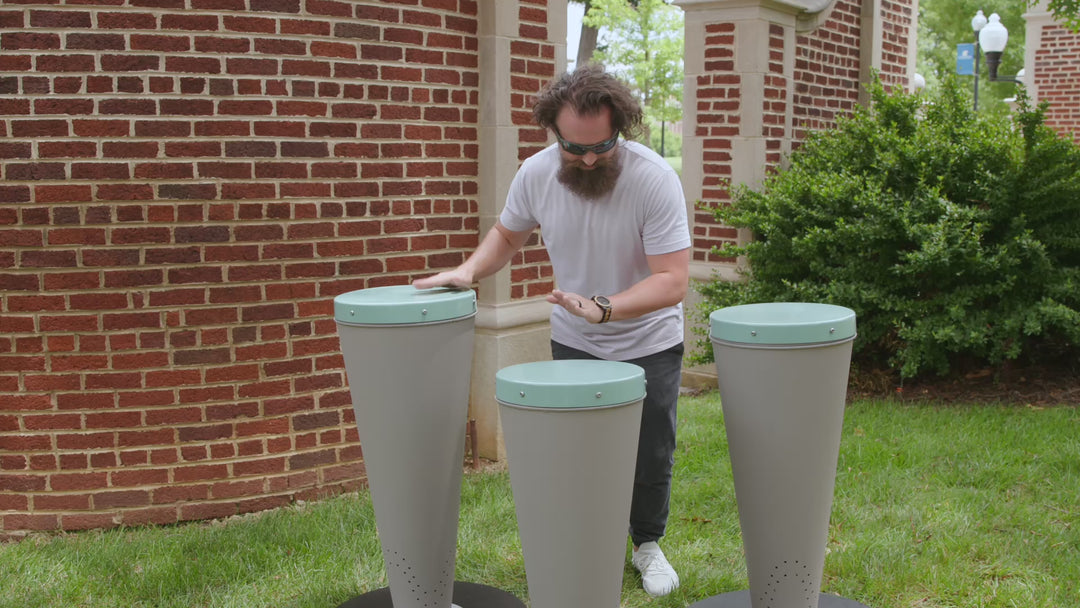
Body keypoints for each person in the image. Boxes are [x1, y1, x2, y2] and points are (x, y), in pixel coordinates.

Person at [414, 64, 690, 597]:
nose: (588, 159)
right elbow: (507, 234)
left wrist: (604, 307)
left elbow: (672, 279)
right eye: (574, 147)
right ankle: (590, 539)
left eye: (602, 146)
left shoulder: (653, 178)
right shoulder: (536, 172)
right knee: (579, 451)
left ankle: (647, 545)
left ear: (621, 129)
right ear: (553, 131)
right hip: (576, 338)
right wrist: (470, 271)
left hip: (647, 342)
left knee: (649, 452)